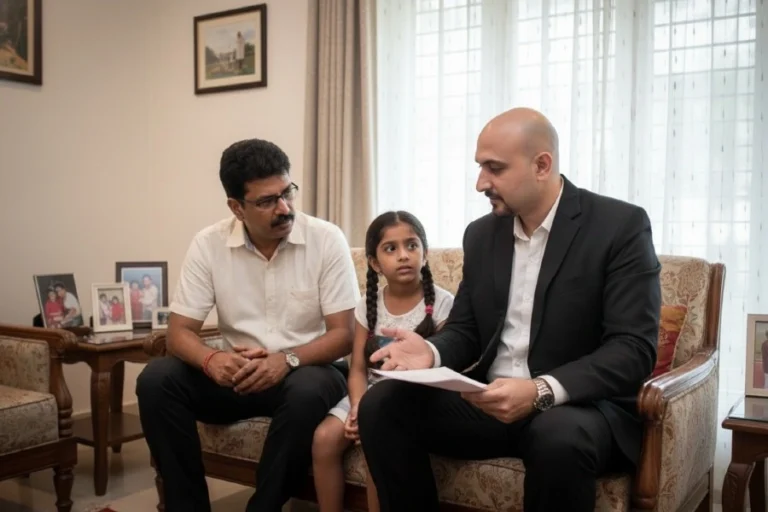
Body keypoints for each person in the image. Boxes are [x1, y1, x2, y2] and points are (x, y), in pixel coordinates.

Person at [358, 107, 662, 512]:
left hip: (577, 408)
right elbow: (466, 328)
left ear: (542, 165)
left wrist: (541, 390)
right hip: (490, 399)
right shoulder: (482, 234)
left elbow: (633, 348)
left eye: (494, 168)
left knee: (557, 438)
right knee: (382, 404)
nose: (481, 182)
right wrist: (430, 352)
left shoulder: (618, 226)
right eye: (480, 167)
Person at [136, 138, 360, 512]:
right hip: (237, 376)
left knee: (310, 387)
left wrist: (285, 360)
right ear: (236, 208)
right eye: (267, 201)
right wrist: (211, 361)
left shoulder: (325, 239)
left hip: (304, 371)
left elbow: (343, 334)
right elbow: (178, 333)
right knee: (156, 380)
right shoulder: (208, 244)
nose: (284, 208)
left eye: (287, 192)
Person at [311, 211, 455, 512]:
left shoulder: (442, 304)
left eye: (412, 246)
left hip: (407, 401)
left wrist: (370, 418)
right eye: (391, 249)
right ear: (375, 263)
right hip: (365, 395)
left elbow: (442, 373)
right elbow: (358, 370)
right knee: (324, 438)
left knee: (377, 450)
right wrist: (358, 407)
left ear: (425, 254)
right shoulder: (366, 305)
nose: (404, 255)